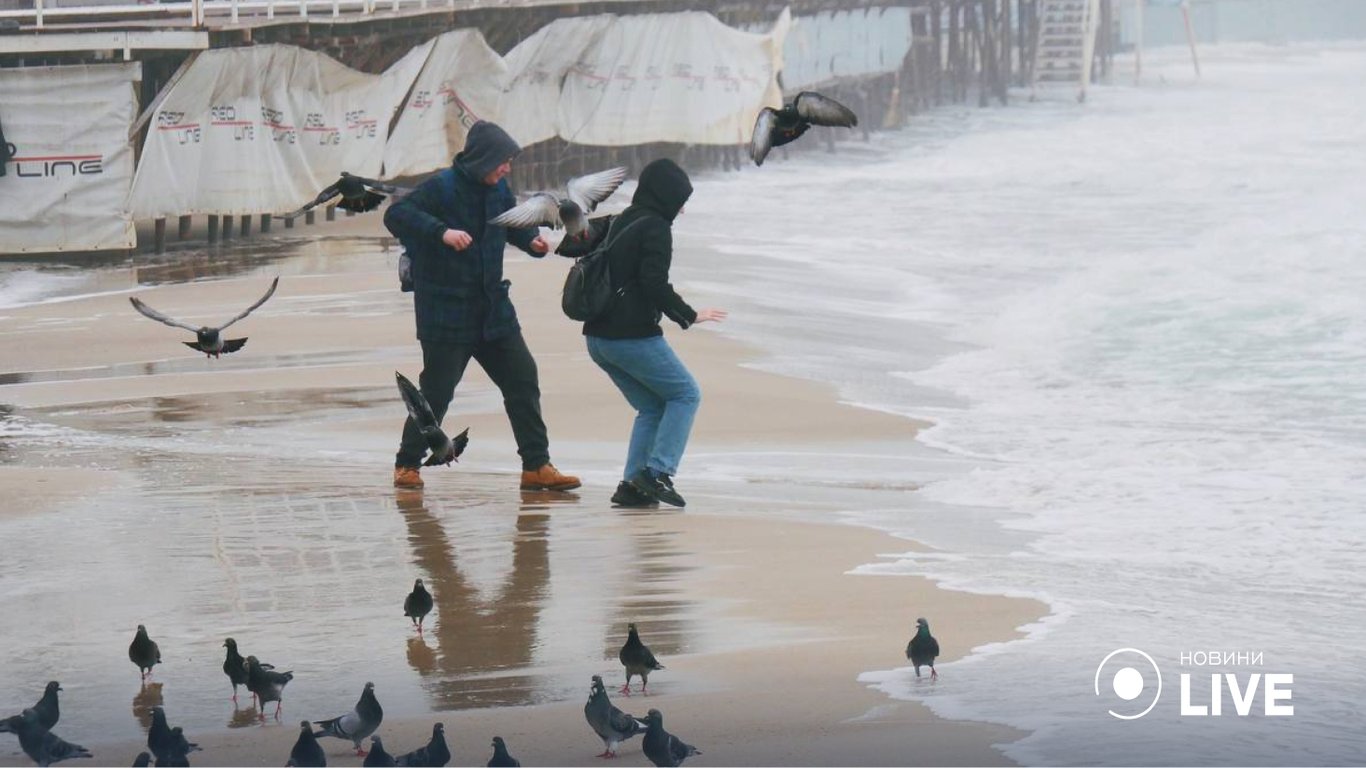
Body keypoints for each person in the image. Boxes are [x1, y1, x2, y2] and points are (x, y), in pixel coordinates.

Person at [383, 120, 580, 492]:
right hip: (446, 313)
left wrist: (530, 241)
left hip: (494, 311)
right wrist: (441, 232)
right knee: (436, 394)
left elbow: (510, 223)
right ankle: (406, 465)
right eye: (502, 161)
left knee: (523, 380)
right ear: (482, 159)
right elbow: (396, 216)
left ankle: (536, 466)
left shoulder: (499, 188)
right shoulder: (441, 188)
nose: (507, 168)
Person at [580, 158, 726, 507]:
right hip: (628, 336)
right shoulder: (656, 227)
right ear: (666, 197)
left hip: (598, 339)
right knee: (685, 395)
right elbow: (653, 283)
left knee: (652, 407)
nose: (682, 209)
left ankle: (632, 485)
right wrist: (689, 315)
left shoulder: (624, 219)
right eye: (680, 200)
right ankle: (658, 473)